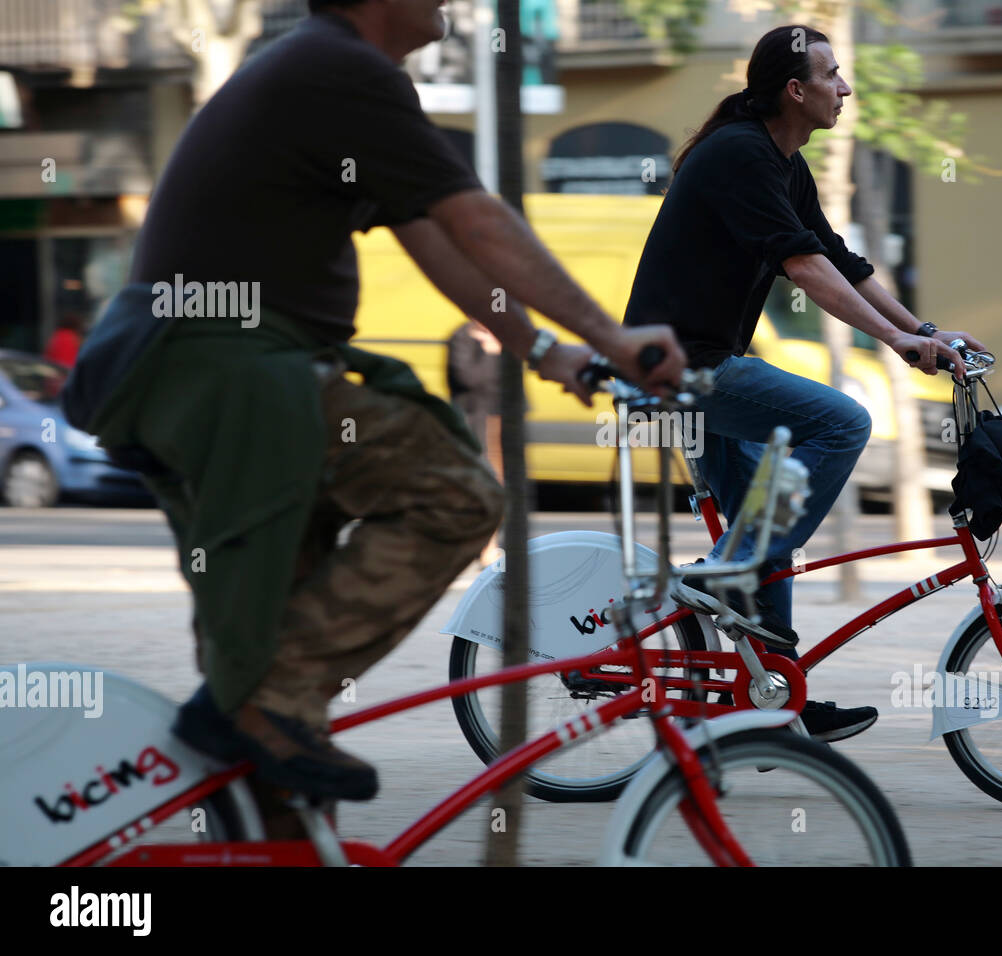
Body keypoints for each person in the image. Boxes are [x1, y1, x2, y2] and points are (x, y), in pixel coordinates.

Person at [61, 0, 684, 806]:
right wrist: (612, 332)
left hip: (206, 370)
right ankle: (256, 703)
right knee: (454, 496)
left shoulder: (340, 74)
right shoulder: (341, 68)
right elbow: (477, 220)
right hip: (220, 365)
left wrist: (548, 350)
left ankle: (262, 750)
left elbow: (439, 244)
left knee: (276, 678)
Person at [623, 24, 986, 742]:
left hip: (700, 364)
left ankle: (769, 700)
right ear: (796, 89)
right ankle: (726, 573)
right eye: (833, 75)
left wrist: (926, 331)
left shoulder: (784, 164)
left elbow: (839, 258)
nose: (845, 89)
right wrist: (897, 343)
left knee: (769, 530)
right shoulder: (739, 155)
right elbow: (803, 267)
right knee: (842, 423)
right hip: (681, 367)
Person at [447, 319, 505, 566]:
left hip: (501, 421)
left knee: (500, 482)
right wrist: (491, 354)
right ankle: (485, 546)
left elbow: (513, 383)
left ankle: (488, 544)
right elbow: (468, 378)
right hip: (477, 421)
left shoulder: (503, 333)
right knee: (483, 481)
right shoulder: (463, 337)